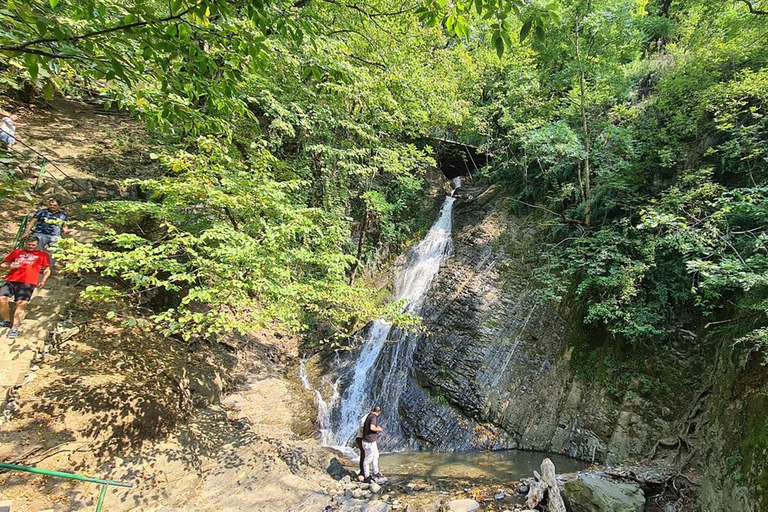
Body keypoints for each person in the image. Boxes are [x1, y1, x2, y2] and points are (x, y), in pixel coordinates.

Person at [0, 235, 51, 338]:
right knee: (2, 299)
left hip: (28, 282)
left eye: (33, 245)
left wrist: (43, 280)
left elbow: (47, 269)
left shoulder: (43, 255)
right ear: (25, 243)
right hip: (11, 280)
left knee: (21, 304)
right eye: (29, 245)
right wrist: (10, 266)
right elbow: (3, 265)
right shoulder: (17, 252)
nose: (31, 247)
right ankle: (6, 321)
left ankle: (15, 327)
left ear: (37, 245)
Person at [23, 197, 68, 267]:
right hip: (40, 233)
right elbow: (32, 222)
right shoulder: (42, 212)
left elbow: (64, 226)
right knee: (37, 250)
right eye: (50, 205)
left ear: (59, 206)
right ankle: (35, 266)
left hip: (55, 235)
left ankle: (48, 267)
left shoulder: (63, 215)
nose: (52, 206)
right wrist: (26, 232)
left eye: (54, 205)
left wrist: (66, 233)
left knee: (56, 251)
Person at [361, 405, 384, 483]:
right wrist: (379, 429)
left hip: (371, 441)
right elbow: (372, 427)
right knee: (367, 460)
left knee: (375, 456)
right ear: (379, 412)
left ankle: (376, 472)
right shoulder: (373, 417)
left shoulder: (369, 415)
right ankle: (366, 477)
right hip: (369, 442)